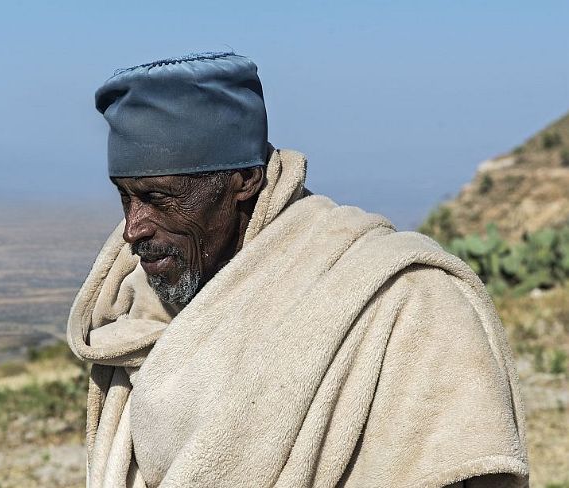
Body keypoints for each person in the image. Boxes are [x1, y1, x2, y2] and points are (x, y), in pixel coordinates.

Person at [67, 51, 529, 488]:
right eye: (125, 197)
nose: (132, 230)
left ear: (242, 181)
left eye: (157, 199)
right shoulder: (127, 311)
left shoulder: (405, 303)